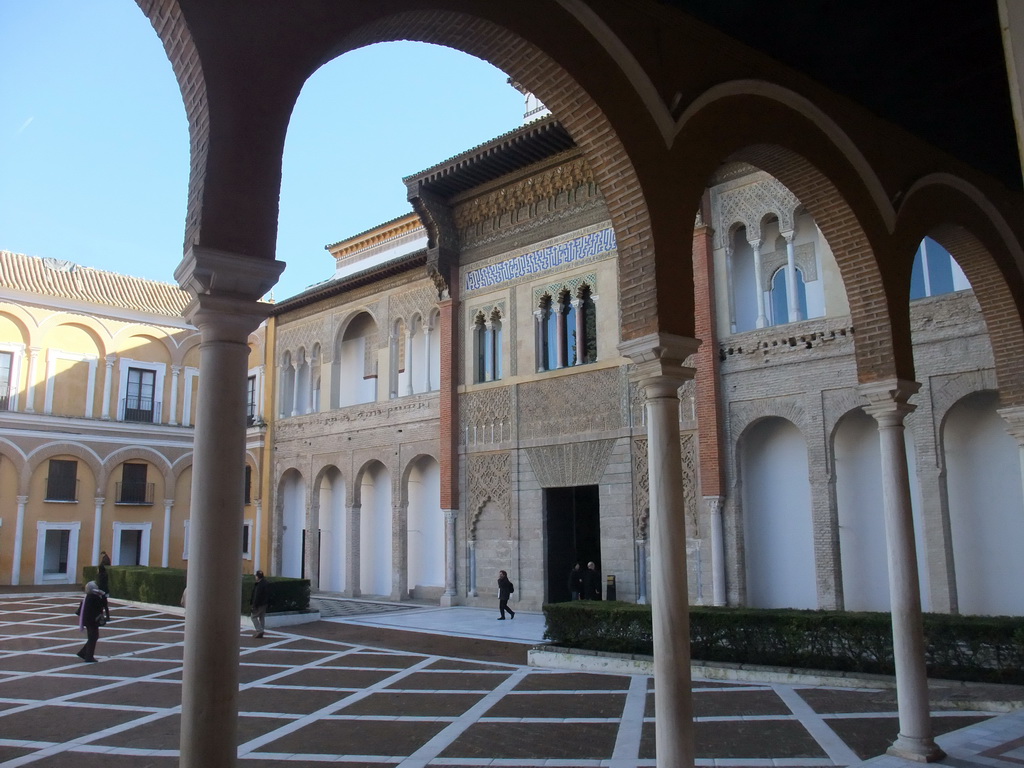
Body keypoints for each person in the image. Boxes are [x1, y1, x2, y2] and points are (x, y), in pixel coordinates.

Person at [76, 581, 106, 662]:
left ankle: (84, 653)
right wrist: (102, 595)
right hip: (92, 621)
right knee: (93, 637)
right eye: (96, 587)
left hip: (88, 620)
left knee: (92, 637)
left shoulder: (88, 597)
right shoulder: (94, 597)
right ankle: (88, 656)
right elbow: (102, 605)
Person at [250, 570, 269, 638]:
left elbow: (257, 596)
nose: (255, 577)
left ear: (258, 577)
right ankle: (261, 630)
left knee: (253, 617)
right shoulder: (266, 583)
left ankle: (259, 630)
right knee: (262, 617)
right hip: (265, 603)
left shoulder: (259, 584)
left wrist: (254, 605)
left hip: (259, 604)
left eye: (256, 576)